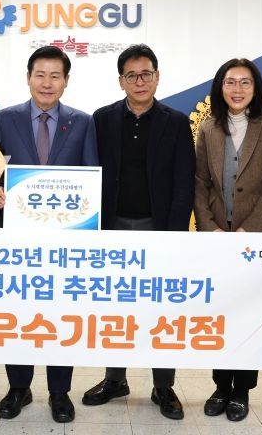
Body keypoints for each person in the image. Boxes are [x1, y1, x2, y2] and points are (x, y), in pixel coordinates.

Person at [82, 44, 195, 420]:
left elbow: (184, 182)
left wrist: (173, 235)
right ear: (121, 81)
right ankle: (115, 379)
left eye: (146, 73)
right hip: (112, 227)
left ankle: (163, 386)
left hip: (157, 228)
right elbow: (91, 173)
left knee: (161, 309)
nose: (139, 81)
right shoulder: (102, 119)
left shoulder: (176, 122)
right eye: (131, 75)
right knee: (115, 306)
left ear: (157, 77)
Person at [0, 45, 98, 423]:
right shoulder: (5, 119)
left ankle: (59, 392)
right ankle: (18, 387)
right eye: (40, 75)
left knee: (61, 315)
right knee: (18, 313)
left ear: (66, 81)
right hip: (17, 240)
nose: (47, 83)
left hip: (65, 241)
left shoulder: (83, 122)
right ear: (28, 78)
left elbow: (91, 178)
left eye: (55, 76)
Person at [194, 58, 262, 422]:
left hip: (259, 239)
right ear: (220, 87)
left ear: (255, 88)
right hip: (218, 238)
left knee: (251, 315)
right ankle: (221, 386)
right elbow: (200, 182)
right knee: (221, 313)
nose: (237, 89)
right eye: (230, 82)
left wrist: (248, 231)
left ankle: (241, 390)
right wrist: (211, 228)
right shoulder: (208, 128)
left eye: (245, 82)